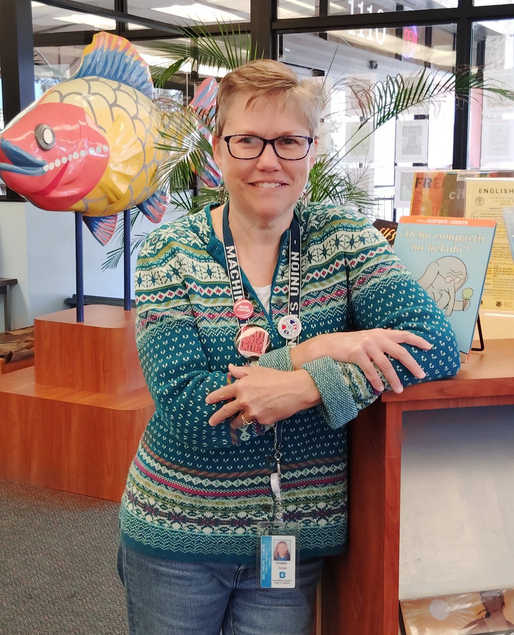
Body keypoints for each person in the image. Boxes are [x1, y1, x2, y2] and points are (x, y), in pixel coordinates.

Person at [117, 59, 461, 635]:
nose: (268, 161)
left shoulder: (345, 238)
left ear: (313, 148)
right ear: (219, 149)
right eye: (247, 140)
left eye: (287, 141)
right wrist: (312, 349)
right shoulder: (168, 251)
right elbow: (185, 406)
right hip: (177, 534)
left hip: (293, 541)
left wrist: (308, 386)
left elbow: (433, 348)